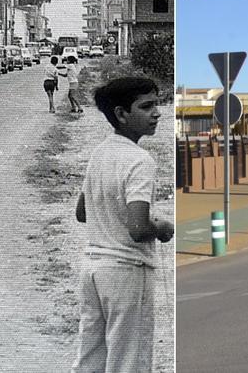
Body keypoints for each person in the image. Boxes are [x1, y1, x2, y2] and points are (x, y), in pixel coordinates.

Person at [72, 77, 173, 373]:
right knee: (129, 361)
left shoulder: (100, 152)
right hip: (127, 271)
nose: (157, 113)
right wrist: (162, 227)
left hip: (92, 270)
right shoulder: (140, 160)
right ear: (120, 114)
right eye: (146, 106)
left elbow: (82, 212)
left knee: (91, 358)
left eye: (157, 104)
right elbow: (138, 229)